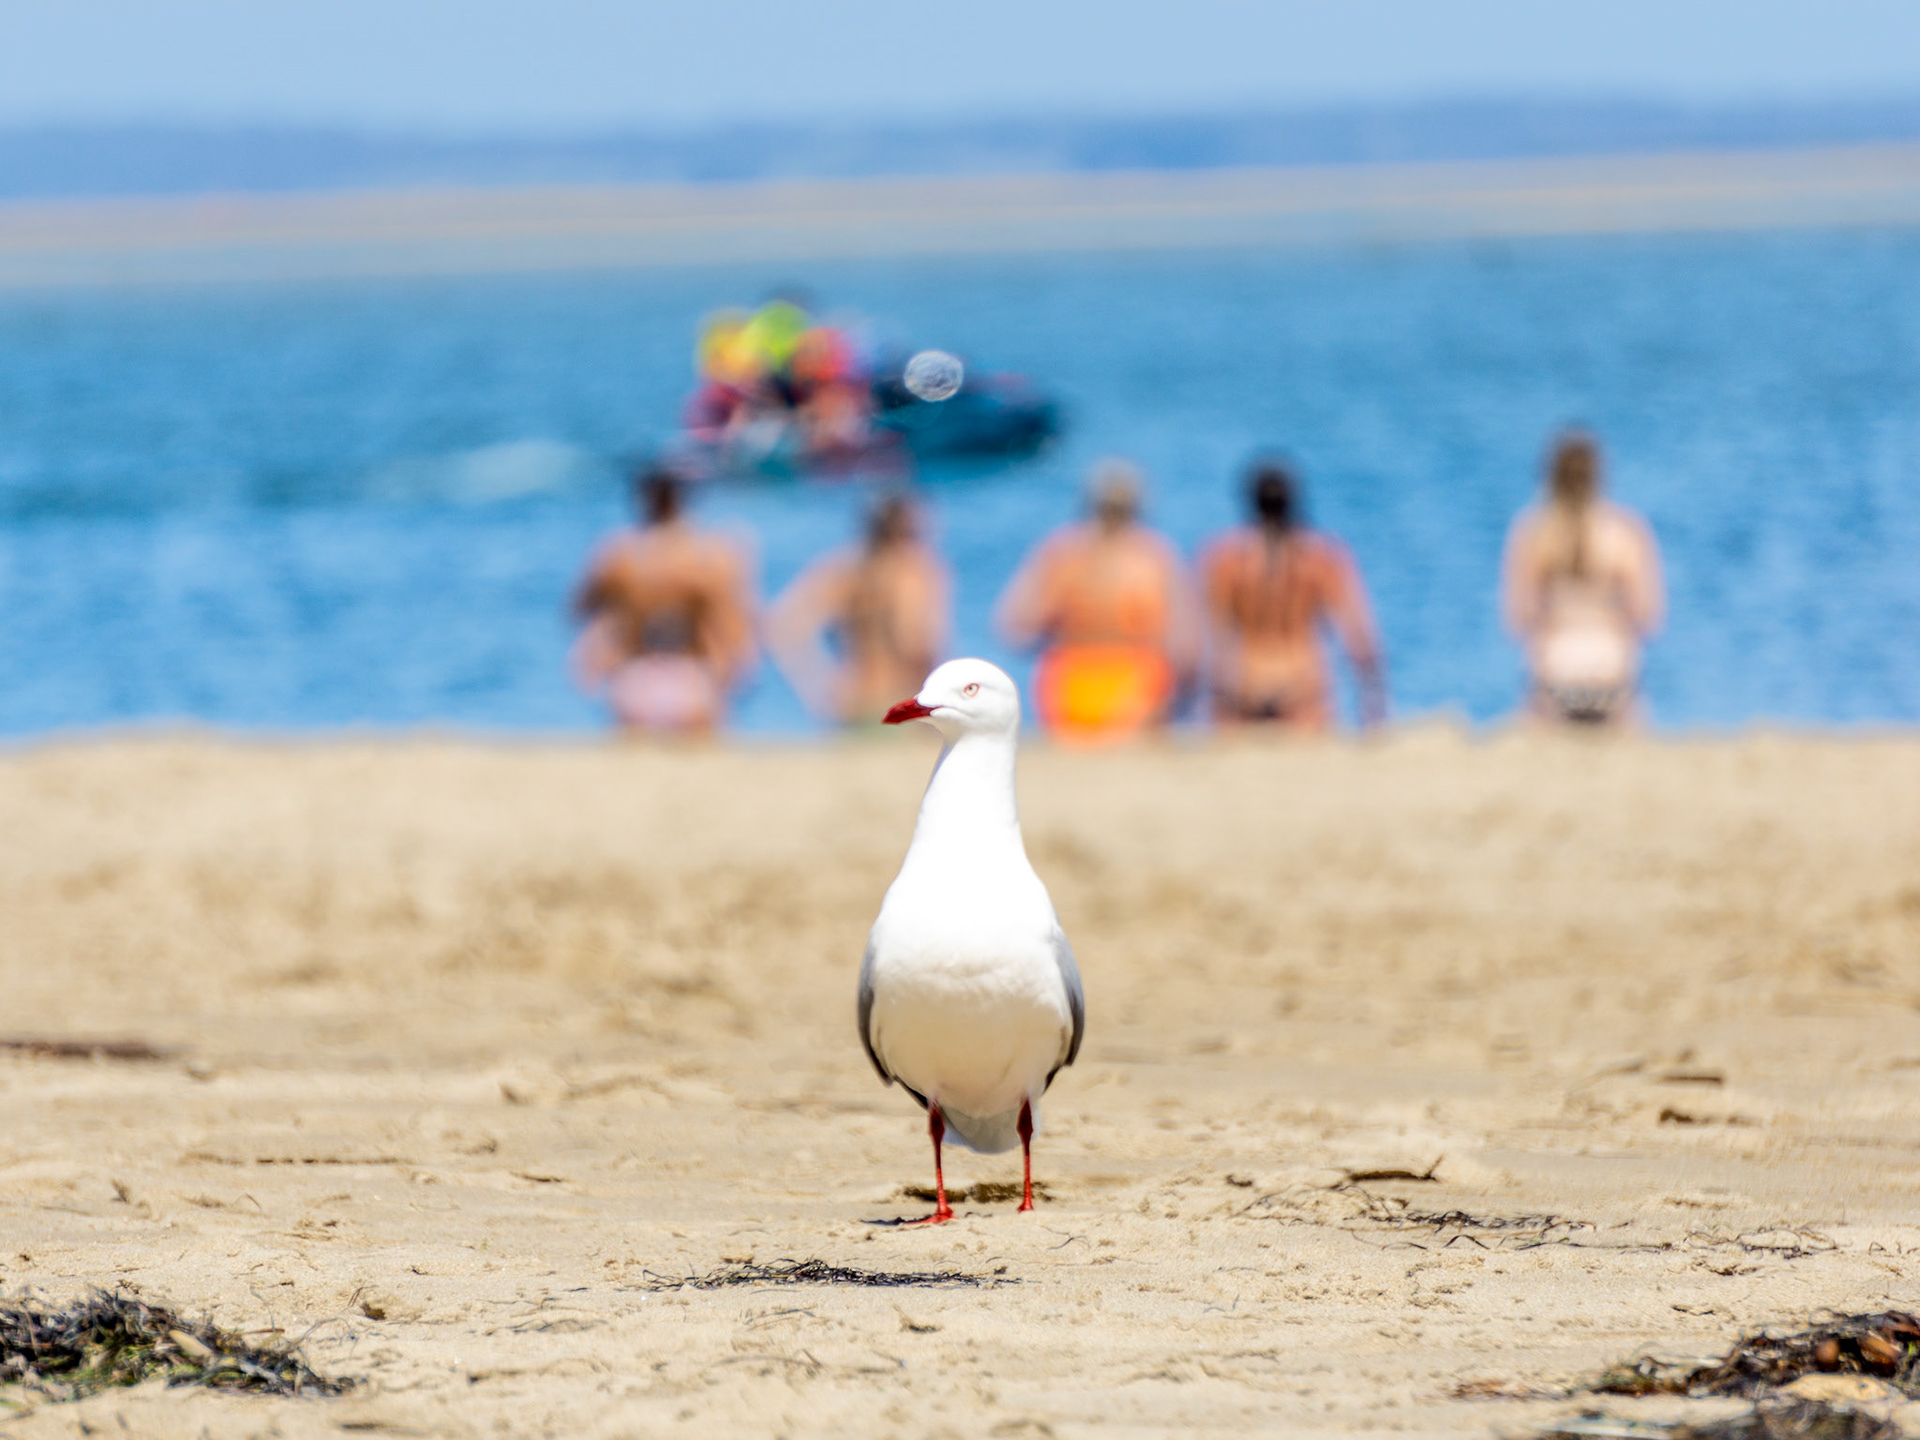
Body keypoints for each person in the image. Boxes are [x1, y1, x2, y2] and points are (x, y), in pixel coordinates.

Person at [996, 460, 1199, 741]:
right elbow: (1186, 650)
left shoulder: (1062, 553)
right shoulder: (1154, 557)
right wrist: (1184, 703)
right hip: (1136, 691)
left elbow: (1017, 629)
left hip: (1071, 688)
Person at [1200, 458, 1386, 731]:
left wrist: (1211, 700)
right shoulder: (1321, 556)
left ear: (1251, 501)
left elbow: (1211, 638)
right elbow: (1360, 638)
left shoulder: (1226, 557)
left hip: (1245, 684)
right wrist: (1373, 704)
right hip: (1303, 688)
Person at [571, 465, 757, 733]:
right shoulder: (714, 556)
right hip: (695, 681)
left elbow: (580, 610)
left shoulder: (618, 554)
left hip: (634, 681)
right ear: (685, 501)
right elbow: (734, 627)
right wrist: (738, 674)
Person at [1501, 429, 1665, 726]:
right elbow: (1648, 618)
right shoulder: (1625, 531)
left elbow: (1519, 620)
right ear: (1599, 475)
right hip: (1612, 678)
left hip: (1555, 678)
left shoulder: (1533, 531)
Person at [767, 493, 951, 724]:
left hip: (856, 701)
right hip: (904, 701)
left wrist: (820, 686)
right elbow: (917, 644)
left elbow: (783, 627)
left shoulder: (848, 570)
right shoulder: (916, 572)